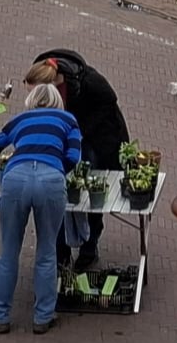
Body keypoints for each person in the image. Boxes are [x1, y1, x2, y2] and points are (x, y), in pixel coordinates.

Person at [0, 83, 82, 335]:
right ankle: (42, 317)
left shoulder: (19, 119)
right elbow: (73, 156)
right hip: (50, 180)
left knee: (9, 250)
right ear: (58, 100)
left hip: (16, 178)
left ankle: (0, 315)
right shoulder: (68, 120)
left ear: (31, 100)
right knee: (47, 251)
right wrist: (56, 170)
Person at [27, 48, 131, 270]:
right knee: (60, 192)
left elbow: (110, 100)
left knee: (89, 187)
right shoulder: (45, 86)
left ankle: (89, 247)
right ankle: (61, 251)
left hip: (96, 139)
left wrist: (80, 129)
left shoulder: (88, 81)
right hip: (67, 138)